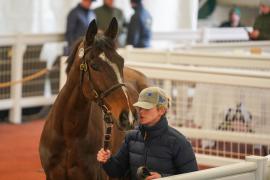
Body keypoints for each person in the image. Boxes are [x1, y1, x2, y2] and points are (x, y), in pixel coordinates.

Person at [97, 87, 198, 179]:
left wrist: (164, 178)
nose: (141, 112)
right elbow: (117, 172)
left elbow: (193, 177)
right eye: (140, 107)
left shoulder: (179, 142)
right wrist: (107, 161)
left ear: (161, 110)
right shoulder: (131, 137)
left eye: (147, 108)